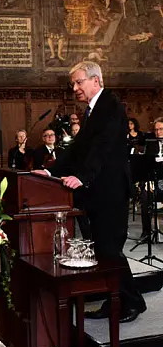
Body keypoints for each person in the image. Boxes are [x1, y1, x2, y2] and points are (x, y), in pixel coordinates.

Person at [33, 61, 146, 323]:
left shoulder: (111, 106)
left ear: (96, 80)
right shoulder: (93, 110)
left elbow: (103, 148)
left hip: (110, 192)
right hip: (97, 191)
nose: (74, 88)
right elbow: (77, 149)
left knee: (109, 250)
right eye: (73, 83)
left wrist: (81, 177)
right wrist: (51, 172)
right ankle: (113, 299)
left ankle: (132, 302)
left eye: (78, 82)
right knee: (100, 251)